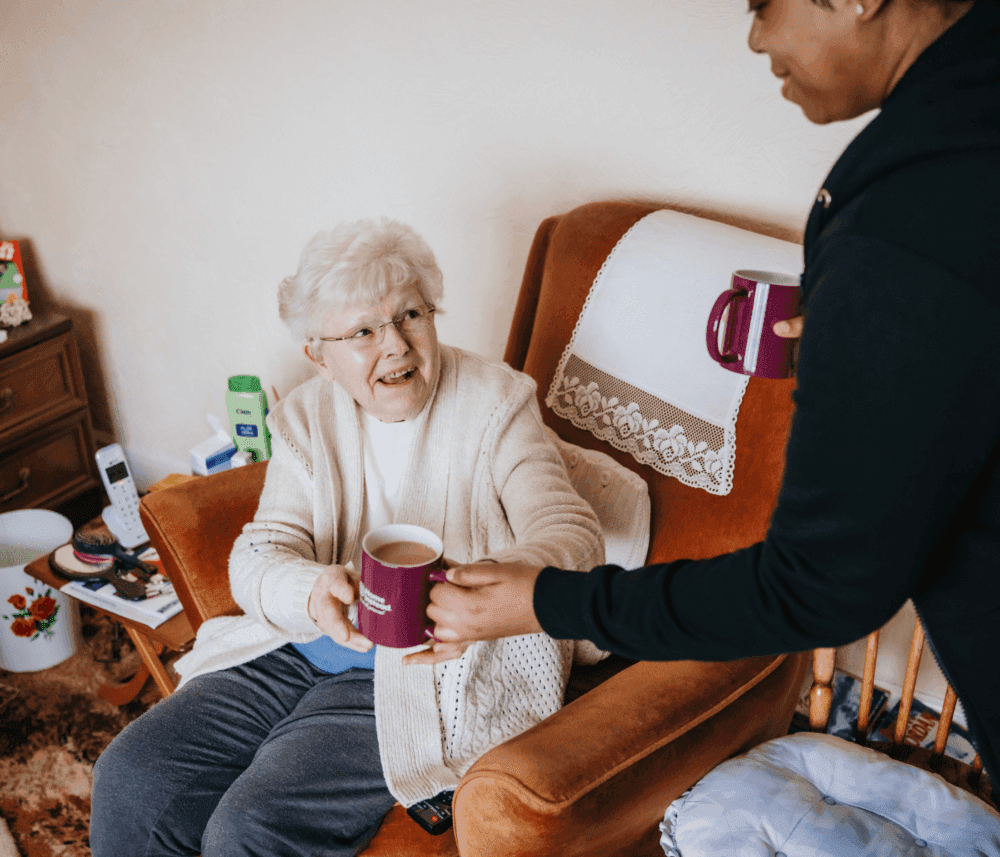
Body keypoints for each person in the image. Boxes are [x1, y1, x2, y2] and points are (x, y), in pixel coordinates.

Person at [428, 0, 1000, 787]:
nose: (755, 36)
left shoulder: (904, 222)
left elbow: (818, 587)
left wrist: (547, 601)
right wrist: (870, 355)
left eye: (762, 4)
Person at [90, 219, 604, 856]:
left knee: (248, 827)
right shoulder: (307, 417)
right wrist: (312, 592)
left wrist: (478, 588)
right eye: (363, 331)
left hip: (422, 671)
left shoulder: (495, 403)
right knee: (130, 776)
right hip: (297, 645)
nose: (396, 346)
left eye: (412, 315)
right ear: (319, 357)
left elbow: (571, 534)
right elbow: (258, 554)